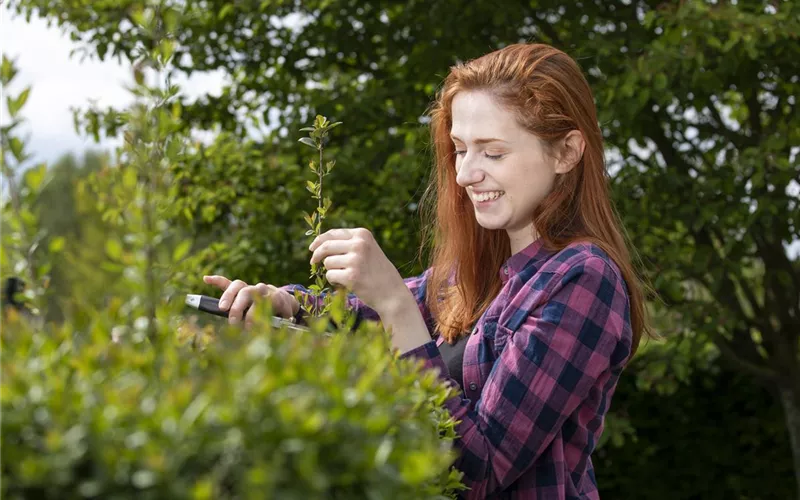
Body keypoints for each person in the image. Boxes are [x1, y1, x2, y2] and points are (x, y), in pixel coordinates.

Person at [203, 42, 653, 499]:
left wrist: (396, 304)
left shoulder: (583, 279)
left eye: (492, 153)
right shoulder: (474, 275)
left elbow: (478, 471)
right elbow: (359, 320)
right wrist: (287, 304)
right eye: (460, 150)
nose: (464, 175)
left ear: (566, 152)